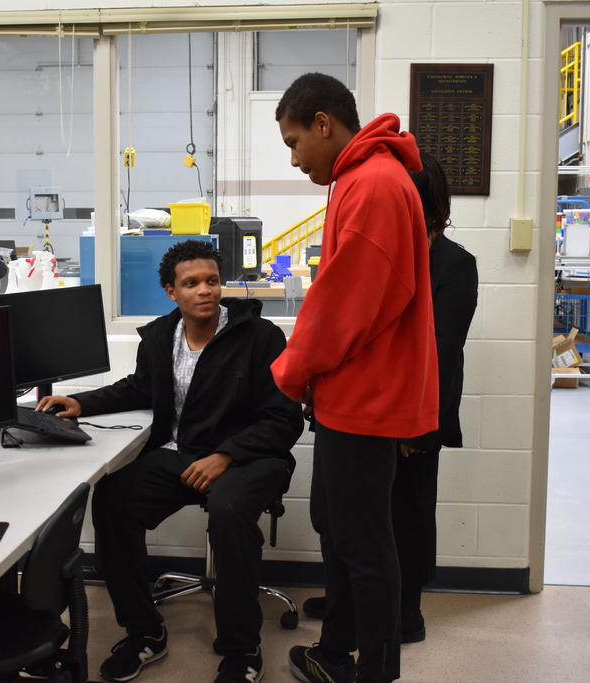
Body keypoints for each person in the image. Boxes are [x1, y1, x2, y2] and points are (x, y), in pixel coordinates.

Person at [38, 239, 304, 683]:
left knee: (228, 509)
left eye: (213, 281)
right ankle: (144, 632)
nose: (206, 291)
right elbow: (139, 388)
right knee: (112, 498)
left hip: (251, 458)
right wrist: (80, 402)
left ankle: (242, 650)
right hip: (184, 456)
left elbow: (284, 418)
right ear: (171, 291)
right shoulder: (161, 336)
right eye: (192, 283)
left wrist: (227, 455)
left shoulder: (260, 337)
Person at [271, 73, 438, 683]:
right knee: (344, 534)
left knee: (365, 545)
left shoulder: (371, 183)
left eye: (294, 142)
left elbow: (343, 305)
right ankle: (334, 652)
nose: (293, 159)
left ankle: (374, 672)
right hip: (354, 396)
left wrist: (289, 371)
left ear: (324, 123)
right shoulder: (362, 178)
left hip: (366, 399)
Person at [301, 151, 480, 646]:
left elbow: (442, 352)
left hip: (410, 418)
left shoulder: (454, 264)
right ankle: (347, 602)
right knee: (333, 516)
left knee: (404, 520)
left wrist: (417, 427)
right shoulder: (374, 251)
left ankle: (404, 615)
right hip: (353, 412)